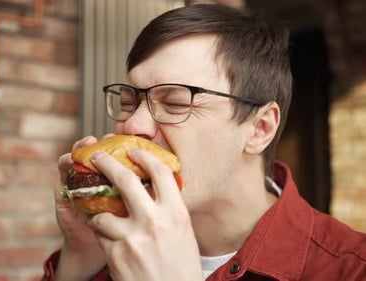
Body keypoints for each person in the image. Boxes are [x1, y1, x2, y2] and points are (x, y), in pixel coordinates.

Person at [42, 4, 366, 281]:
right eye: (129, 102)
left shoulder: (349, 268)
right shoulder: (107, 250)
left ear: (259, 129)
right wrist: (79, 263)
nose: (133, 124)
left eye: (176, 103)